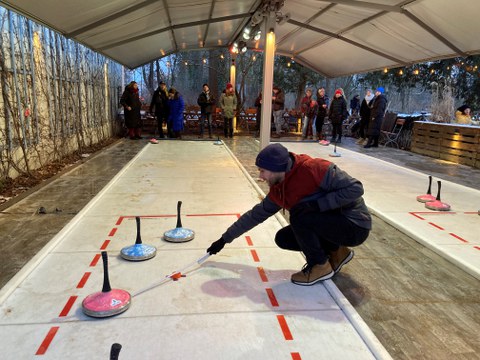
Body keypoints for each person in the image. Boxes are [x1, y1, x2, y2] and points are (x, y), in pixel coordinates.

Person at [206, 143, 371, 286]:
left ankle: (320, 265)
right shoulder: (279, 189)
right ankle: (338, 251)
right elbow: (255, 215)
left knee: (300, 215)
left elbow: (356, 188)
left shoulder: (315, 169)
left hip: (354, 225)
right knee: (284, 238)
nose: (260, 176)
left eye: (263, 171)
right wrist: (224, 239)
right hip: (332, 224)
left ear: (277, 168)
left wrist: (316, 205)